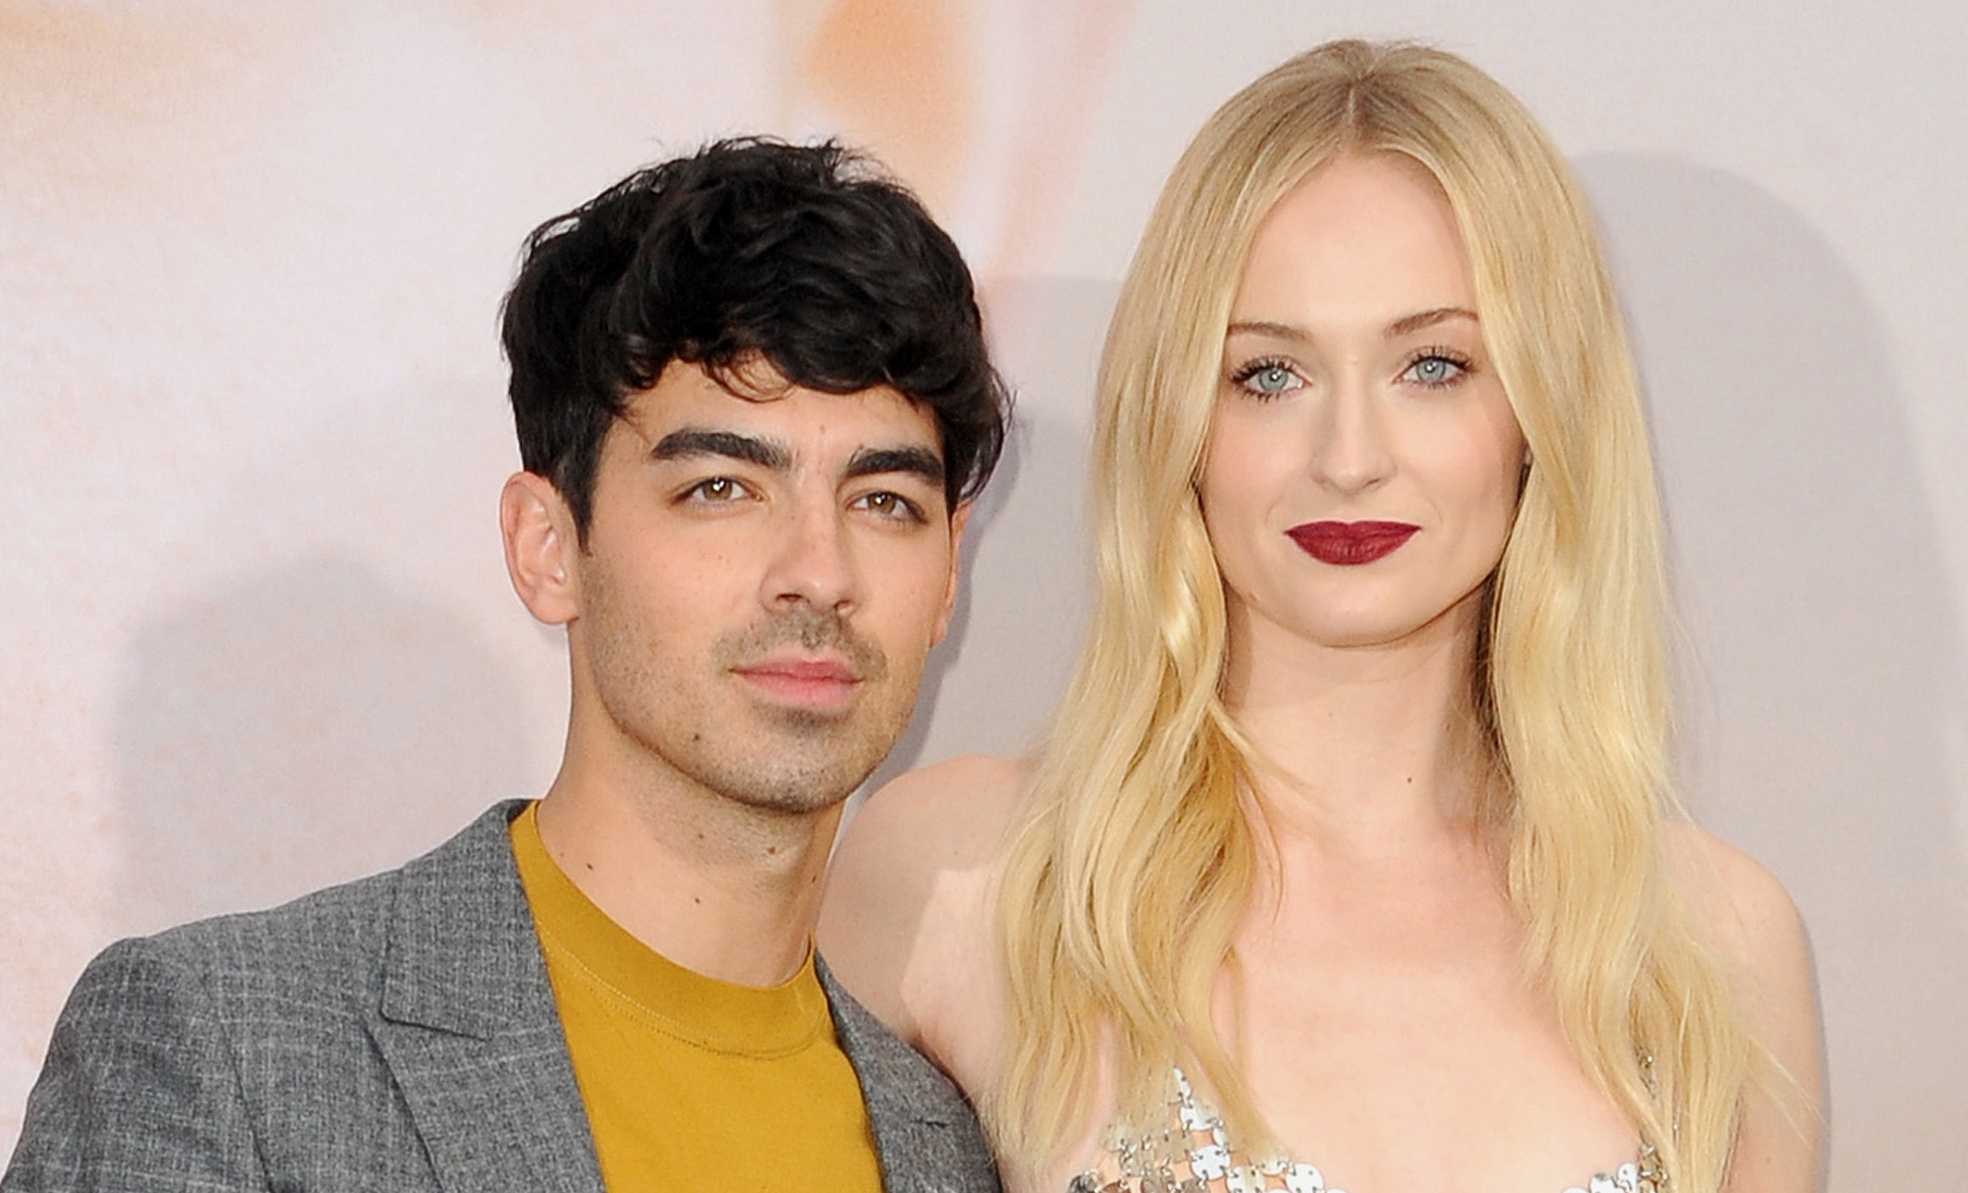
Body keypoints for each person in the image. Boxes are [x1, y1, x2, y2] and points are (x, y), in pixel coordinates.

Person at [819, 40, 1821, 1193]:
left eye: (1435, 365)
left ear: (1542, 412)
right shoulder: (966, 878)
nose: (1350, 459)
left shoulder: (1718, 949)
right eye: (1269, 375)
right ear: (1182, 423)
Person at [7, 138, 1008, 1193]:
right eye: (721, 487)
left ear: (947, 577)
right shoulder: (223, 1050)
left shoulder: (948, 1143)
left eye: (885, 500)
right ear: (546, 546)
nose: (819, 573)